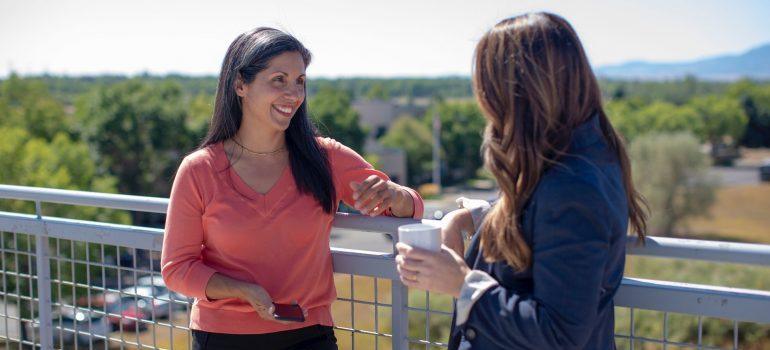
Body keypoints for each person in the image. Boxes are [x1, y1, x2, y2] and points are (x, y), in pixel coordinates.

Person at [395, 12, 647, 349]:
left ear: (517, 92)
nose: (483, 101)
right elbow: (543, 224)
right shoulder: (579, 156)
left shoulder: (573, 186)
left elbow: (560, 334)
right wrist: (475, 218)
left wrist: (462, 284)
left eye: (487, 86)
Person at [161, 27, 424, 350]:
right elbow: (177, 268)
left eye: (300, 81)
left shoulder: (325, 158)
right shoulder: (199, 169)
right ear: (240, 85)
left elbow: (409, 207)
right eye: (279, 80)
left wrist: (395, 196)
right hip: (222, 339)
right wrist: (242, 290)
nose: (294, 94)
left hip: (309, 336)